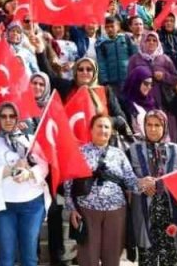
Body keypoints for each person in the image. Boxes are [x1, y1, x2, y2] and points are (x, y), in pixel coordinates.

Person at [64, 114, 140, 266]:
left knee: (112, 258)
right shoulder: (80, 152)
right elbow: (68, 185)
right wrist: (72, 209)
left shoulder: (118, 154)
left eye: (107, 127)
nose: (103, 130)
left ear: (111, 131)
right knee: (88, 258)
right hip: (87, 211)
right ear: (91, 129)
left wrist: (145, 183)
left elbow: (131, 182)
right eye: (99, 126)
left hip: (116, 212)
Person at [0, 101, 49, 266]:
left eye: (12, 116)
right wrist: (11, 170)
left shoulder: (29, 140)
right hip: (3, 207)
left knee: (29, 257)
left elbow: (44, 166)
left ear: (18, 118)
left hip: (32, 205)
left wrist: (29, 173)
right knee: (6, 257)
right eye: (4, 116)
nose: (8, 120)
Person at [126, 110, 177, 266]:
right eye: (149, 125)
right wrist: (140, 183)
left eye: (157, 125)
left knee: (170, 259)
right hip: (145, 213)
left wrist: (158, 184)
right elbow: (125, 178)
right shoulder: (133, 149)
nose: (152, 129)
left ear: (164, 127)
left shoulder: (176, 150)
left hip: (169, 212)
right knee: (147, 259)